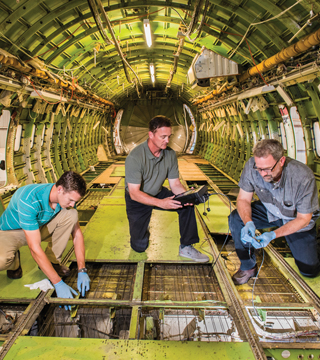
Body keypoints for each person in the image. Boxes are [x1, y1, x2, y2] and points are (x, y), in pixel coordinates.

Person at [229, 139, 320, 285]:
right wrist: (248, 222)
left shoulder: (302, 176)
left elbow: (303, 219)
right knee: (236, 218)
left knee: (309, 270)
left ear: (281, 160)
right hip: (270, 210)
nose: (263, 173)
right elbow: (243, 200)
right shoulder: (252, 166)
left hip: (295, 218)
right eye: (259, 168)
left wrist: (272, 235)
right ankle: (248, 267)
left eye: (267, 169)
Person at [0, 171, 90, 307]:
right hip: (12, 232)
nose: (72, 204)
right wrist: (58, 283)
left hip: (37, 227)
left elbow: (77, 234)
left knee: (72, 214)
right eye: (71, 200)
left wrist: (82, 269)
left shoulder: (66, 198)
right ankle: (14, 262)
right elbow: (34, 248)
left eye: (74, 201)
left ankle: (51, 262)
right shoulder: (29, 199)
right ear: (60, 189)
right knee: (2, 261)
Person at [125, 115, 209, 262]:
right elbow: (134, 193)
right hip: (138, 199)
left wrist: (187, 196)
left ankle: (186, 247)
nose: (167, 140)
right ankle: (143, 231)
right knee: (139, 246)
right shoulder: (135, 157)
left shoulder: (170, 154)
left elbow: (175, 184)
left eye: (169, 136)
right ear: (151, 134)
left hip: (157, 192)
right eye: (163, 136)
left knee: (186, 205)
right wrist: (160, 203)